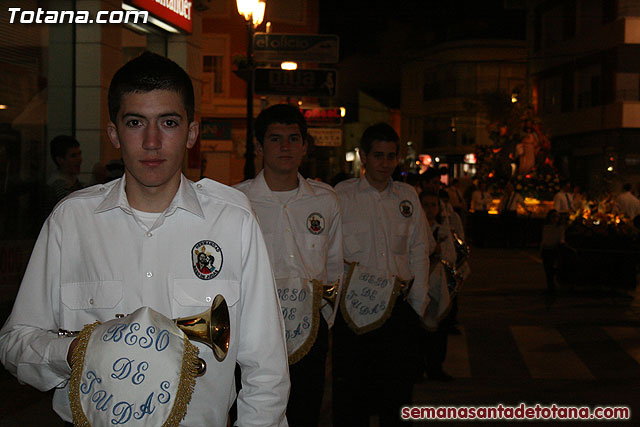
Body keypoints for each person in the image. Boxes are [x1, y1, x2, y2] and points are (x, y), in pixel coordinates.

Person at [0, 52, 289, 426]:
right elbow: (14, 342)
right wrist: (75, 351)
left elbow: (266, 370)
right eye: (135, 122)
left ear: (192, 133)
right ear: (113, 134)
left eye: (168, 122)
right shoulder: (71, 221)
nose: (152, 141)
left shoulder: (233, 222)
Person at [235, 104, 343, 427]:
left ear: (305, 146)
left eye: (294, 139)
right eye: (275, 139)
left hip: (308, 331)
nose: (286, 147)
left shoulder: (325, 201)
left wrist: (322, 318)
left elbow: (334, 265)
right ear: (258, 146)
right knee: (253, 411)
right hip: (251, 332)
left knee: (305, 411)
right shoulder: (237, 201)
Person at [332, 123, 430, 427]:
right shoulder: (342, 196)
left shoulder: (407, 196)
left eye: (391, 156)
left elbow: (419, 249)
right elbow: (330, 254)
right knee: (351, 398)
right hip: (353, 312)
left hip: (398, 311)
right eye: (378, 156)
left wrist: (417, 305)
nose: (385, 163)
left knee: (398, 398)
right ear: (363, 156)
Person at [419, 190, 456, 382]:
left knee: (438, 331)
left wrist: (438, 253)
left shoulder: (442, 230)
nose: (429, 210)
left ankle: (435, 367)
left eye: (433, 205)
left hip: (436, 284)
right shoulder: (415, 229)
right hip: (418, 287)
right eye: (425, 205)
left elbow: (452, 257)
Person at [47, 135, 84, 207]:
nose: (79, 159)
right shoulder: (58, 184)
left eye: (79, 154)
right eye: (73, 156)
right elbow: (71, 207)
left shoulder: (72, 180)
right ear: (60, 160)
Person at [540, 209, 565, 293]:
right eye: (553, 216)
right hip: (546, 249)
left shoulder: (560, 228)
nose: (555, 218)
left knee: (552, 268)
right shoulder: (546, 227)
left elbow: (561, 238)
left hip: (554, 249)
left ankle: (552, 285)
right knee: (547, 269)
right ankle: (550, 286)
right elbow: (544, 238)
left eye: (557, 217)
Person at [498, 181, 528, 247]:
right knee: (504, 228)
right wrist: (499, 209)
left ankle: (511, 243)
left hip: (512, 213)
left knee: (512, 228)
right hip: (505, 212)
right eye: (507, 188)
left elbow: (522, 203)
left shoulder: (516, 196)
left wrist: (527, 210)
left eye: (509, 188)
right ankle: (505, 242)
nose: (508, 189)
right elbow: (501, 203)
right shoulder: (504, 195)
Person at [470, 182, 492, 246]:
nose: (483, 187)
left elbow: (490, 200)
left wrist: (483, 201)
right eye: (482, 186)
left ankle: (483, 242)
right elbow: (478, 201)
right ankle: (477, 242)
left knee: (484, 228)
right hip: (478, 212)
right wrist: (485, 200)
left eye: (484, 186)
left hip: (485, 212)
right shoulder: (476, 193)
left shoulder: (487, 193)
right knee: (478, 228)